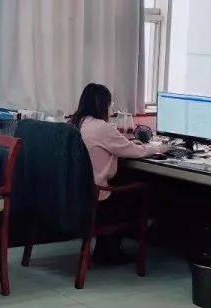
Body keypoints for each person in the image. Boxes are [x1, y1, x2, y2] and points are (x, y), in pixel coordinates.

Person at [70, 83, 165, 262]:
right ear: (103, 105)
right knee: (146, 191)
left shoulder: (74, 124)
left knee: (121, 181)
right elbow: (136, 152)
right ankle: (111, 251)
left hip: (76, 198)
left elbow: (119, 146)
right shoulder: (102, 128)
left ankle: (107, 249)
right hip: (98, 203)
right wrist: (160, 148)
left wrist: (128, 144)